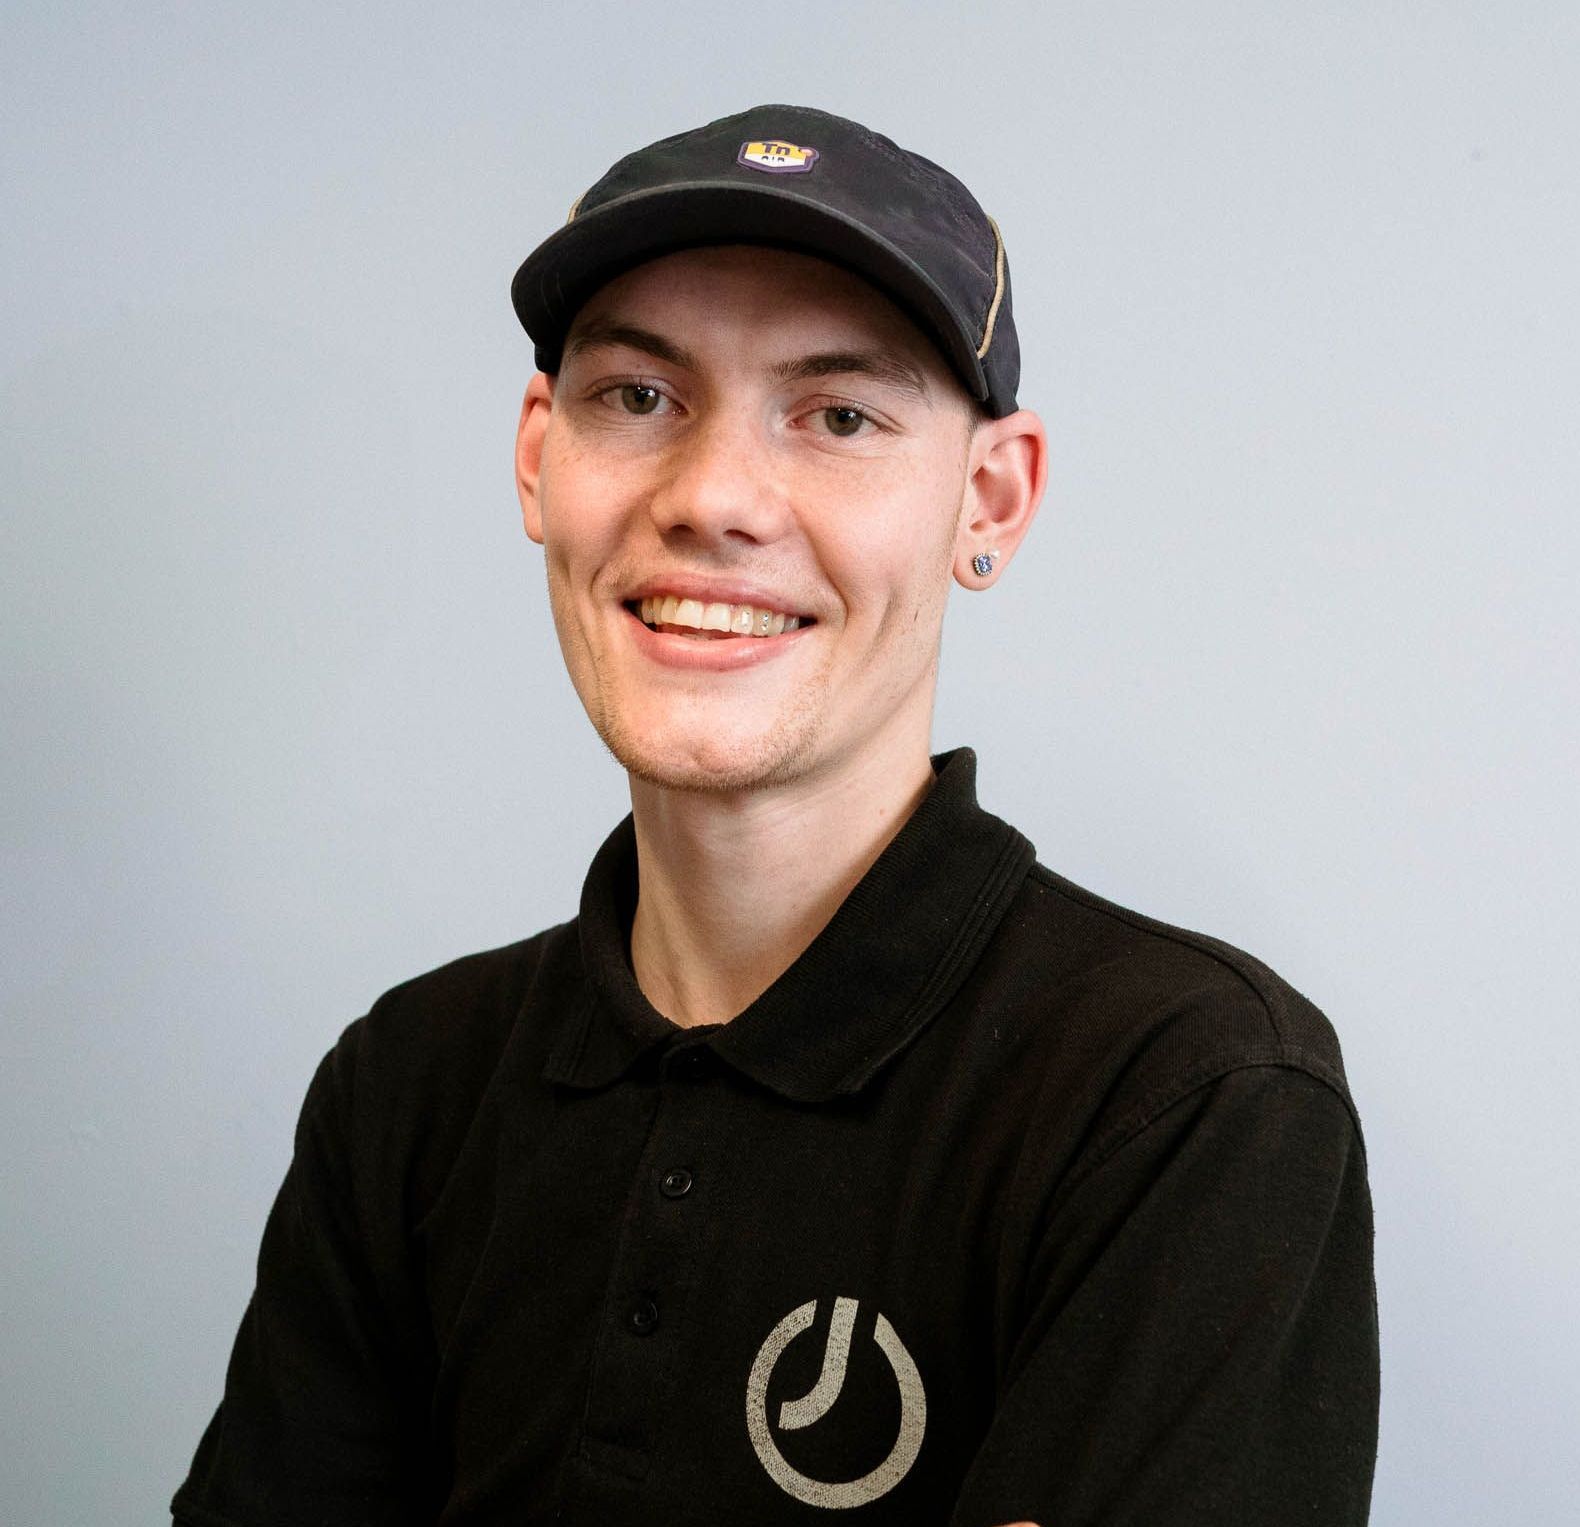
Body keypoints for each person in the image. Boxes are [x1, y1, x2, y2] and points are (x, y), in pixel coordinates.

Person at [172, 105, 1379, 1527]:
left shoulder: (1188, 1100)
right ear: (537, 457)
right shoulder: (409, 1088)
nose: (715, 500)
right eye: (639, 396)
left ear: (990, 500)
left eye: (840, 416)